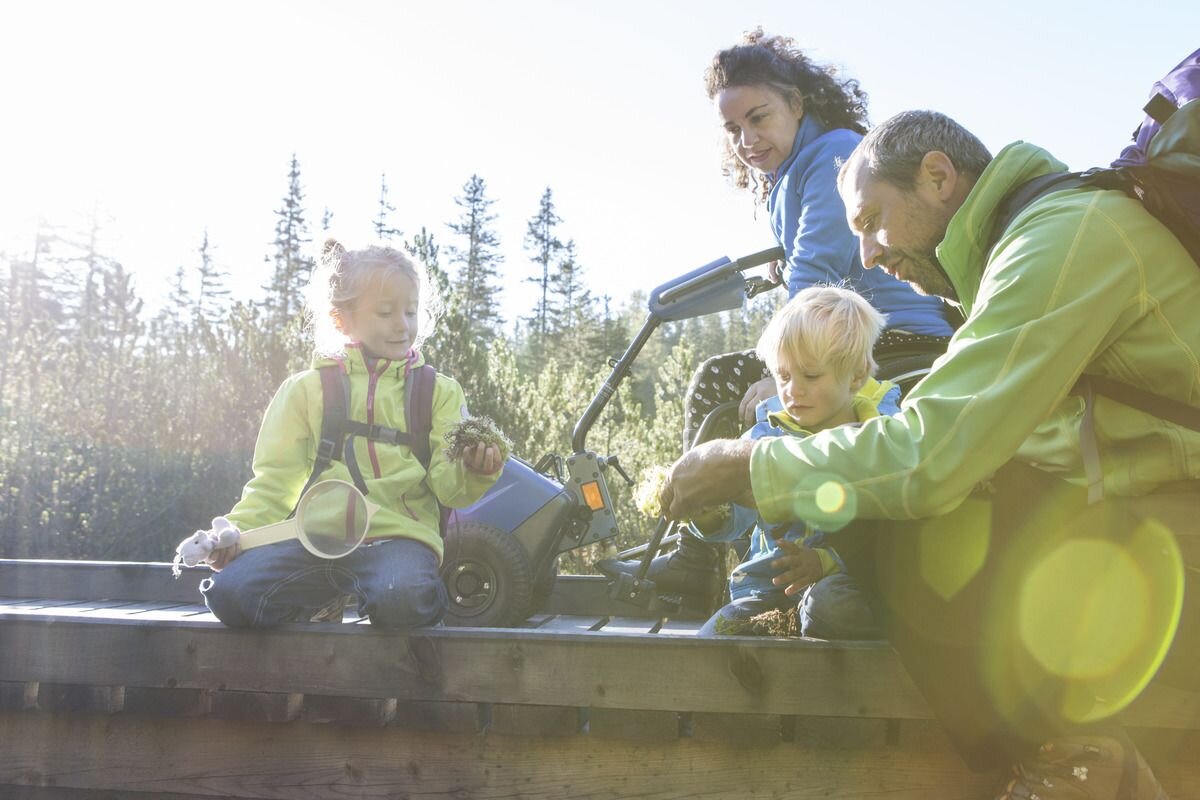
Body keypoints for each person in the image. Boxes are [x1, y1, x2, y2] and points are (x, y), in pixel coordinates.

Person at [658, 110, 1199, 798]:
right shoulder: (1040, 238)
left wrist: (748, 465)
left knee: (889, 506)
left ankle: (1077, 766)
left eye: (873, 221)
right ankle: (1072, 758)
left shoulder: (1064, 238)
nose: (867, 256)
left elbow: (930, 453)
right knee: (902, 496)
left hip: (1177, 551)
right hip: (1151, 531)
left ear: (938, 177)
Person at [599, 28, 954, 598]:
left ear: (796, 103)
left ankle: (700, 557)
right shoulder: (794, 170)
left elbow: (818, 266)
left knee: (721, 380)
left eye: (758, 118)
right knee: (733, 386)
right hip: (854, 329)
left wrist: (779, 370)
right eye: (733, 129)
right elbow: (810, 260)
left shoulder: (833, 155)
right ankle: (736, 546)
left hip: (893, 336)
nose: (747, 139)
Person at [196, 239, 504, 629]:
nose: (402, 324)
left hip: (400, 541)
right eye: (385, 312)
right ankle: (319, 604)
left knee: (400, 597)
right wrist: (238, 534)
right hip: (313, 541)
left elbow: (449, 490)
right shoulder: (305, 390)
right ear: (342, 319)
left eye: (410, 311)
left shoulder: (439, 392)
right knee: (230, 594)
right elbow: (275, 483)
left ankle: (402, 601)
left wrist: (474, 471)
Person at [692, 286, 897, 638]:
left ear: (856, 374)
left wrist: (826, 561)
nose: (792, 391)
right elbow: (736, 517)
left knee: (833, 605)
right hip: (768, 590)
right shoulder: (765, 435)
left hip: (847, 579)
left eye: (811, 376)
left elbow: (891, 531)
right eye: (783, 377)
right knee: (711, 640)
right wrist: (709, 512)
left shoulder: (879, 433)